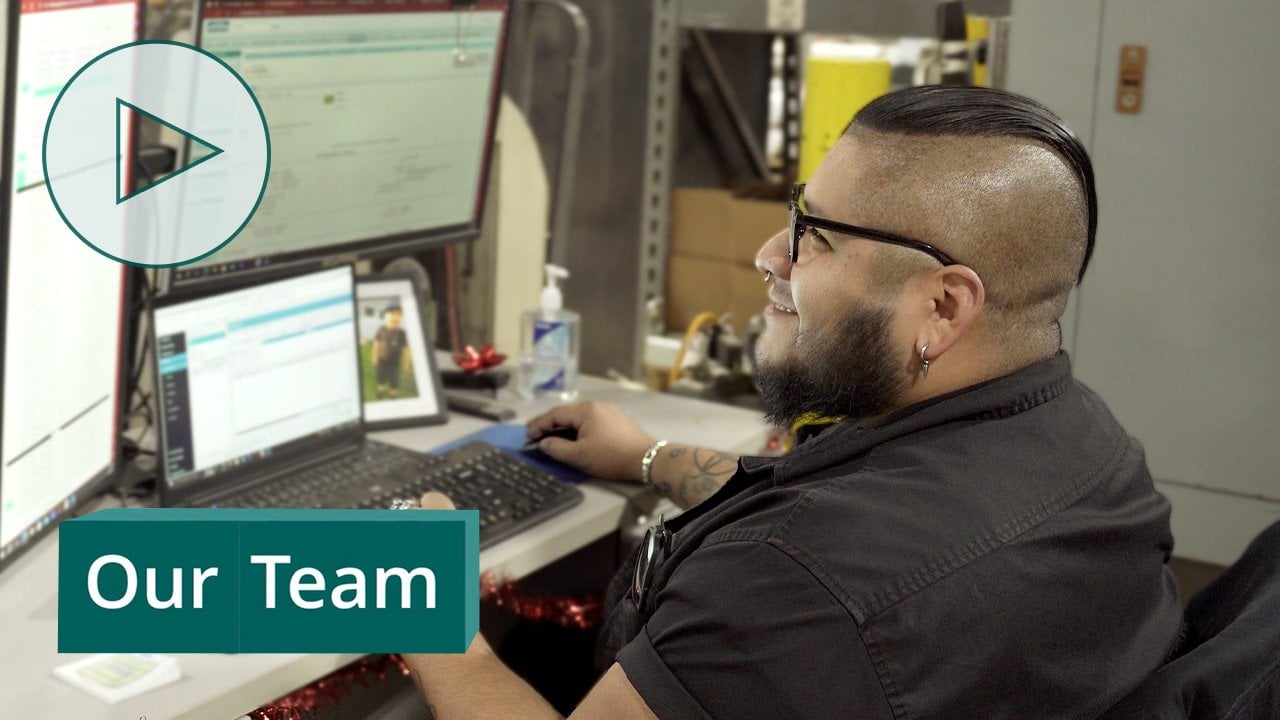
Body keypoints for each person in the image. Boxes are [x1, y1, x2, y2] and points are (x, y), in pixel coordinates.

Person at [400, 86, 1184, 719]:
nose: (771, 255)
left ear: (943, 309)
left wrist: (432, 620)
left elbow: (820, 571)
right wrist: (650, 457)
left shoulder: (795, 590)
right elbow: (842, 511)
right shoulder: (1090, 445)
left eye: (819, 235)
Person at [371, 299, 411, 399]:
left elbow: (406, 350)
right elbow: (376, 344)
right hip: (382, 361)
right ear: (385, 315)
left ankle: (393, 394)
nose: (395, 317)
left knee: (394, 380)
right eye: (392, 314)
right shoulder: (381, 329)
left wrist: (406, 364)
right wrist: (374, 357)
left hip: (395, 364)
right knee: (381, 378)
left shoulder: (401, 333)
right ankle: (380, 391)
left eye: (398, 314)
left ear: (401, 317)